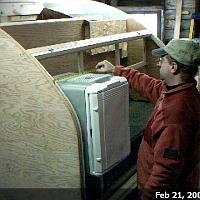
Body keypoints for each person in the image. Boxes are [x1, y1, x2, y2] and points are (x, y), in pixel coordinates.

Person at [95, 39, 200, 200]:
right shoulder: (181, 92)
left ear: (173, 67)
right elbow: (150, 86)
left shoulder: (175, 115)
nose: (158, 64)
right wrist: (116, 70)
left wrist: (148, 196)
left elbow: (165, 170)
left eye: (162, 60)